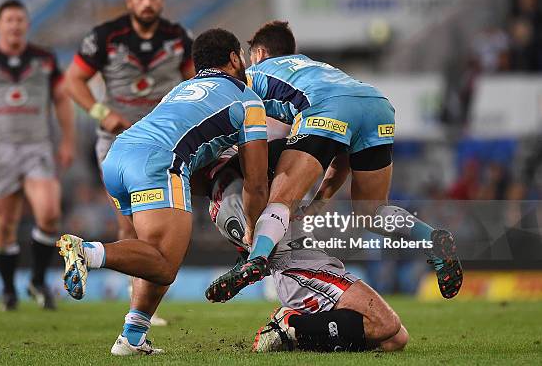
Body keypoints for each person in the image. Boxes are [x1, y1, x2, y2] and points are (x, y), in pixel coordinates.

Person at [206, 21, 462, 303]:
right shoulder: (320, 69)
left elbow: (220, 101)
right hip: (377, 105)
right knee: (371, 212)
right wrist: (318, 202)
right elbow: (340, 154)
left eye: (249, 56)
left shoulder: (256, 73)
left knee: (281, 200)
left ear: (261, 53)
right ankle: (433, 239)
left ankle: (255, 261)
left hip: (328, 108)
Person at [57, 28, 269, 355]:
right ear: (234, 58)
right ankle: (87, 252)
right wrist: (253, 230)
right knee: (164, 262)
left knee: (151, 253)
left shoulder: (180, 89)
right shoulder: (247, 99)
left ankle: (133, 336)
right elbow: (255, 182)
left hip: (118, 156)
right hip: (158, 163)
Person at [64, 0, 194, 326]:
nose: (147, 2)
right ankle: (137, 305)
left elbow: (197, 81)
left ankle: (142, 308)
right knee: (129, 223)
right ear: (128, 0)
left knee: (156, 229)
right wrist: (102, 113)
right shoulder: (105, 36)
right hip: (117, 142)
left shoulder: (179, 37)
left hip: (163, 146)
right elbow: (73, 80)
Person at [205, 139, 408, 352]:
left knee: (395, 339)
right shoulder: (241, 180)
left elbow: (254, 241)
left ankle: (299, 337)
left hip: (304, 266)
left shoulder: (222, 197)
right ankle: (288, 327)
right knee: (386, 325)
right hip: (301, 271)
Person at [0, 0, 75, 311]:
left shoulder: (46, 60)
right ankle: (8, 289)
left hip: (38, 145)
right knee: (5, 223)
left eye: (20, 20)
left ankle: (37, 280)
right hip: (1, 149)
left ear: (27, 24)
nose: (15, 25)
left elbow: (62, 100)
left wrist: (67, 142)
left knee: (49, 213)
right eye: (9, 20)